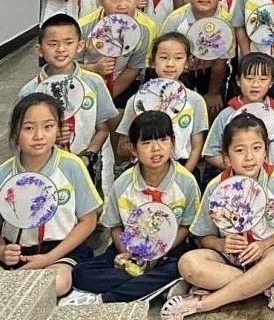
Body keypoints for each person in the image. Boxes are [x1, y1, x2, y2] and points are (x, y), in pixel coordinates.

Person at [164, 114, 274, 319]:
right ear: (226, 157)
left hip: (264, 257)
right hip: (227, 262)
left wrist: (264, 245)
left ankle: (204, 303)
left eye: (256, 148)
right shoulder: (215, 187)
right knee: (187, 263)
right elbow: (202, 236)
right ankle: (263, 286)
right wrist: (220, 244)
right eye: (239, 150)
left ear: (266, 151)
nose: (249, 157)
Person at [65, 111, 200, 305]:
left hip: (170, 249)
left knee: (177, 267)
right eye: (146, 143)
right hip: (130, 245)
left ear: (172, 142)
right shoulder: (123, 183)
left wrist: (157, 254)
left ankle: (107, 298)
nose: (156, 148)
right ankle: (153, 287)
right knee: (81, 273)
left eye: (163, 140)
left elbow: (186, 226)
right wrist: (127, 254)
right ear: (133, 149)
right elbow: (115, 225)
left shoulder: (186, 181)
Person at [0, 94, 101, 298]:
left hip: (60, 250)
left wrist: (48, 258)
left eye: (48, 126)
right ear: (15, 132)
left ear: (58, 129)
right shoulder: (4, 173)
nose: (39, 135)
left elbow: (89, 220)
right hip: (15, 251)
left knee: (55, 282)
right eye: (29, 128)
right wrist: (2, 251)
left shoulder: (72, 166)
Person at [18, 14, 115, 192]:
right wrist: (50, 138)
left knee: (90, 201)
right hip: (45, 166)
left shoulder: (94, 83)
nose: (61, 49)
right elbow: (21, 136)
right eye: (52, 44)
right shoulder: (30, 91)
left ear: (80, 46)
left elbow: (103, 129)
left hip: (87, 162)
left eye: (68, 42)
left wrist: (88, 156)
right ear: (39, 50)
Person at [117, 33, 209, 174]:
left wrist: (182, 176)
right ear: (152, 61)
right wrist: (142, 146)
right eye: (164, 57)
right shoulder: (137, 100)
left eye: (178, 58)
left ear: (187, 63)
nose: (170, 64)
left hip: (182, 168)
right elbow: (122, 147)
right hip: (143, 169)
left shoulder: (195, 100)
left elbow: (197, 147)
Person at [79, 0, 157, 111]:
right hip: (86, 81)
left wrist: (106, 100)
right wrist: (94, 68)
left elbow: (134, 68)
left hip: (124, 83)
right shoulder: (83, 26)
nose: (122, 6)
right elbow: (71, 65)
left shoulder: (146, 28)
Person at [160, 0, 232, 116]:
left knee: (212, 110)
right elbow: (161, 56)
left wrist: (213, 93)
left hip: (211, 71)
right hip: (179, 71)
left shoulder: (226, 22)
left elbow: (220, 62)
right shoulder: (175, 20)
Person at [202, 52, 274, 175]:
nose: (255, 84)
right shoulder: (226, 114)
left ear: (271, 82)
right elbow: (210, 153)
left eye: (263, 79)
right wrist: (237, 167)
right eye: (249, 78)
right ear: (238, 80)